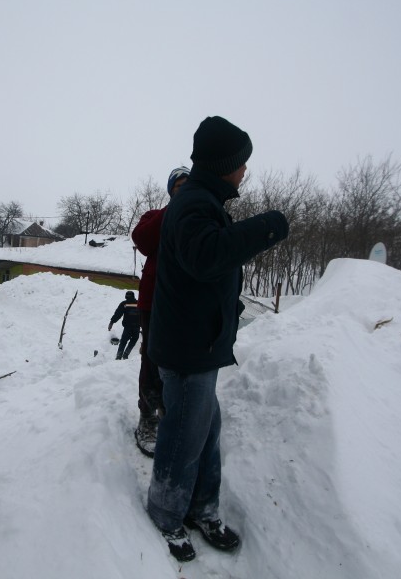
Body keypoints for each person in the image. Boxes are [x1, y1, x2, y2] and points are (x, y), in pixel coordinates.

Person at [146, 116, 289, 562]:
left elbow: (207, 267)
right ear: (225, 164)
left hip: (198, 344)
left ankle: (203, 507)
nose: (246, 170)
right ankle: (167, 514)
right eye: (242, 163)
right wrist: (267, 226)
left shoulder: (204, 201)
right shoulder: (192, 204)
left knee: (205, 429)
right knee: (183, 436)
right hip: (188, 349)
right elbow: (207, 257)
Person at [130, 166, 190, 458]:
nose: (185, 191)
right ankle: (148, 416)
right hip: (154, 303)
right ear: (170, 191)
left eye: (189, 186)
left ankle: (170, 412)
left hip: (186, 305)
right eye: (179, 187)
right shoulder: (155, 216)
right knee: (152, 358)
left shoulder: (198, 220)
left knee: (179, 363)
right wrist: (174, 210)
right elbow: (142, 240)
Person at [108, 290, 140, 360]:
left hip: (128, 327)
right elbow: (144, 315)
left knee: (123, 341)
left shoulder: (124, 304)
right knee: (134, 340)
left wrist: (112, 322)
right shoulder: (139, 303)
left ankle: (119, 356)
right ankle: (126, 354)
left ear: (126, 297)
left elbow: (118, 314)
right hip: (137, 327)